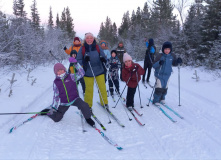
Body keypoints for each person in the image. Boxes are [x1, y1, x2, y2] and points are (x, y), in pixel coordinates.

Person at [40, 62, 95, 127]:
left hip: (75, 99)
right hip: (64, 102)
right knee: (57, 118)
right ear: (55, 73)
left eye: (61, 70)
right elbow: (56, 96)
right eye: (58, 71)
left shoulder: (71, 76)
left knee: (84, 105)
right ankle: (48, 112)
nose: (60, 72)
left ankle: (88, 118)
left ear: (64, 69)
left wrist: (75, 64)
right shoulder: (56, 82)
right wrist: (54, 107)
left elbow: (82, 73)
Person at [76, 32, 109, 109]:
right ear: (85, 39)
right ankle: (88, 105)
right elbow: (78, 59)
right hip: (88, 71)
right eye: (87, 38)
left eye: (91, 38)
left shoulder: (97, 47)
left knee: (102, 88)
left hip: (99, 70)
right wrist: (84, 61)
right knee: (89, 90)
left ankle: (104, 103)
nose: (89, 39)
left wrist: (103, 59)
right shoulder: (83, 48)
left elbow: (104, 56)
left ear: (93, 39)